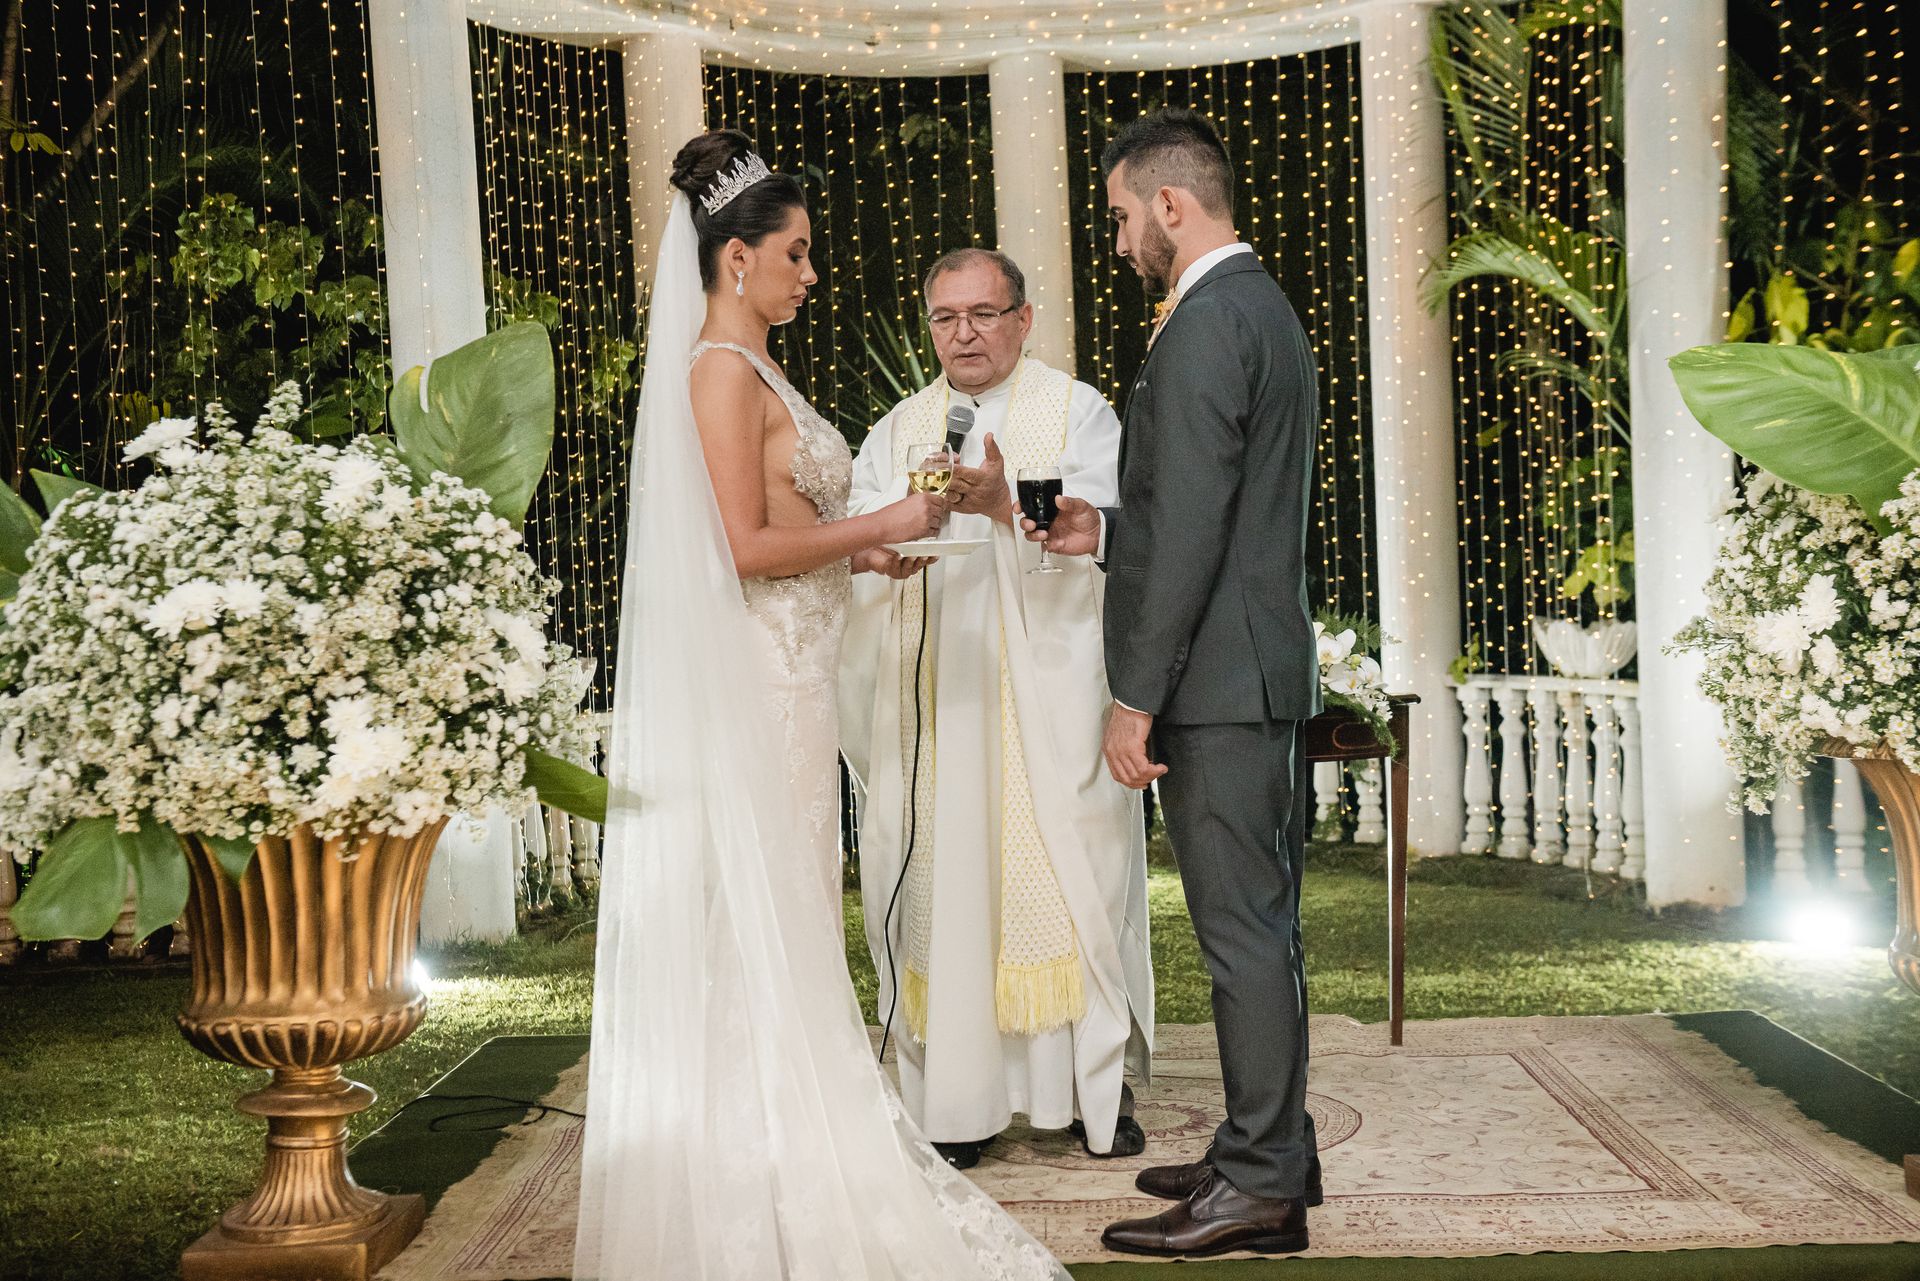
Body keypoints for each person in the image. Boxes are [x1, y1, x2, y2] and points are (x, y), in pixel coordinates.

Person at [574, 128, 1069, 1281]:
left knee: (788, 914)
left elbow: (783, 531)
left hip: (792, 681)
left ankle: (780, 1139)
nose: (810, 274)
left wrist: (855, 559)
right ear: (734, 259)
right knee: (754, 915)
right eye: (794, 254)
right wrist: (885, 527)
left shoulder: (758, 375)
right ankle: (753, 1170)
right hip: (759, 685)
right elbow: (738, 549)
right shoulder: (714, 371)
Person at [1024, 108, 1324, 1258]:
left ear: (1168, 205)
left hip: (1218, 682)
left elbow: (1197, 529)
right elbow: (1194, 514)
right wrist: (1107, 531)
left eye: (1117, 217)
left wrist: (1135, 694)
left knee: (1242, 934)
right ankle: (1266, 1158)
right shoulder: (1262, 309)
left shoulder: (1206, 322)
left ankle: (1257, 1187)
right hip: (1254, 669)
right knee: (1266, 929)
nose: (1115, 241)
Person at [841, 249, 1154, 1172]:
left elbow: (1108, 516)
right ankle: (960, 1101)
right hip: (942, 703)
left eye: (984, 313)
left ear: (1024, 317)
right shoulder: (900, 428)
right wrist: (880, 555)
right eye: (946, 317)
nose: (964, 334)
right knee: (944, 889)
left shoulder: (1079, 407)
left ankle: (1087, 1091)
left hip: (1051, 694)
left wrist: (1007, 501)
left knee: (1076, 885)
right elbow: (865, 529)